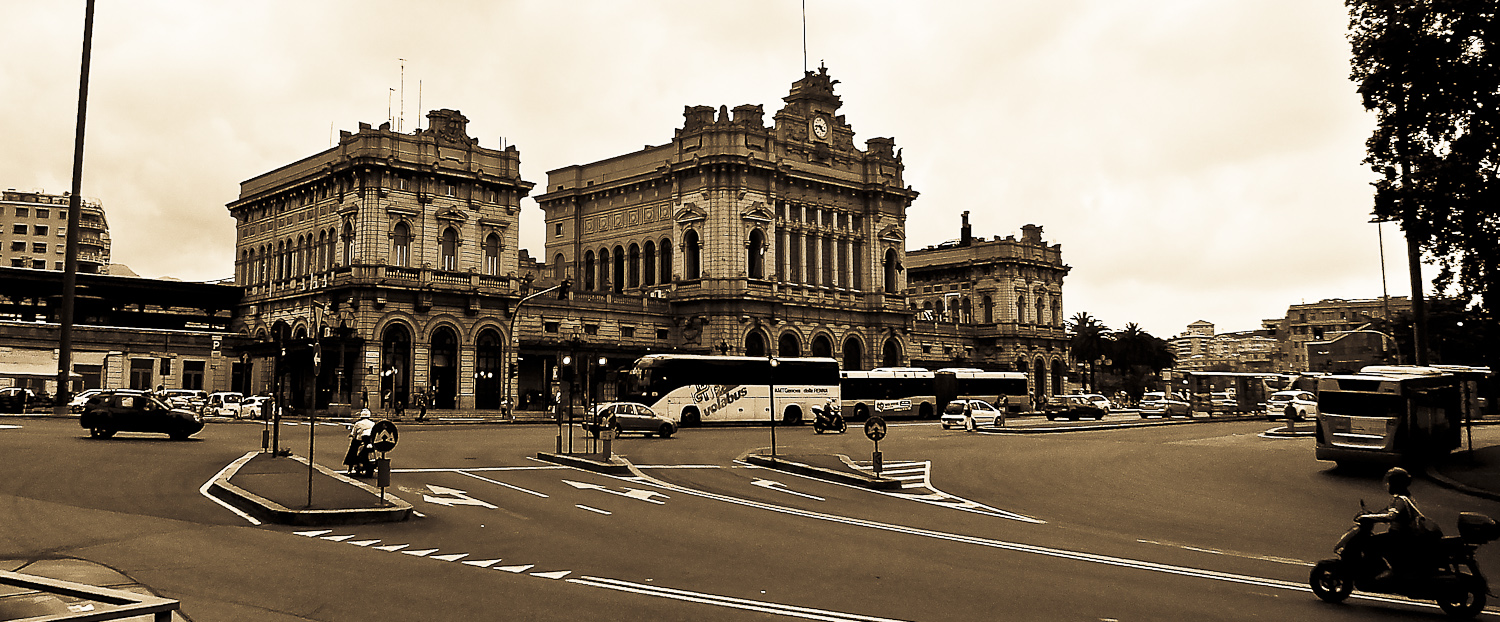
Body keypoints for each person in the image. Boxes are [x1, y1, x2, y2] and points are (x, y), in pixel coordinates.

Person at [1358, 467, 1432, 580]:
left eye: (1390, 482)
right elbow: (1386, 511)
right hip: (1404, 534)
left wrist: (1366, 517)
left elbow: (1391, 515)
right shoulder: (1406, 497)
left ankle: (1387, 570)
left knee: (1368, 544)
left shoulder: (1400, 500)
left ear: (1396, 484)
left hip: (1399, 535)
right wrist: (1372, 514)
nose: (1388, 485)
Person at [343, 409, 376, 473]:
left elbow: (354, 433)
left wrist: (352, 435)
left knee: (352, 451)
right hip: (370, 441)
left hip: (359, 440)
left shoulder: (358, 423)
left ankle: (350, 468)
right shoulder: (372, 423)